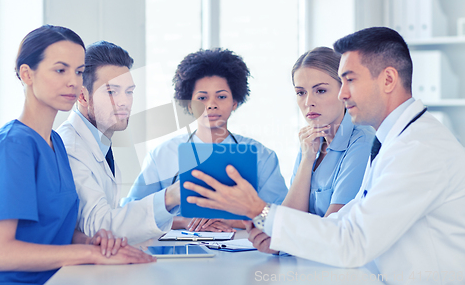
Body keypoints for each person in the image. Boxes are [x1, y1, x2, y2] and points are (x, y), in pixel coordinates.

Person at [183, 27, 465, 284]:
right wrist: (279, 237)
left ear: (388, 79)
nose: (342, 94)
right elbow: (346, 220)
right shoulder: (393, 141)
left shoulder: (418, 150)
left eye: (349, 81)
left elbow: (353, 242)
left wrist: (260, 211)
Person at [0, 26, 154, 285]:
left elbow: (54, 230)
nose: (73, 82)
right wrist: (89, 253)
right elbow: (0, 254)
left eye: (78, 72)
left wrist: (93, 242)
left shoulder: (55, 143)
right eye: (60, 70)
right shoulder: (11, 147)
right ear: (26, 74)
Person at [125, 48, 288, 232]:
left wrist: (232, 222)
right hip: (179, 255)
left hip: (244, 254)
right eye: (202, 97)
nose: (211, 104)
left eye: (221, 96)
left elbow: (281, 216)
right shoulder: (161, 155)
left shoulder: (262, 156)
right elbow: (132, 213)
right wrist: (182, 222)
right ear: (189, 104)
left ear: (235, 102)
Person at [57, 41, 180, 244]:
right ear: (82, 96)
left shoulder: (100, 143)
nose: (124, 102)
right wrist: (169, 197)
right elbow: (97, 228)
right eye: (112, 91)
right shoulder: (71, 149)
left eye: (129, 91)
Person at [284, 47, 374, 217]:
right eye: (301, 93)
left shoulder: (362, 141)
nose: (308, 102)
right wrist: (307, 160)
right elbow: (287, 221)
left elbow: (335, 228)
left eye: (320, 91)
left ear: (344, 92)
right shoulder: (310, 141)